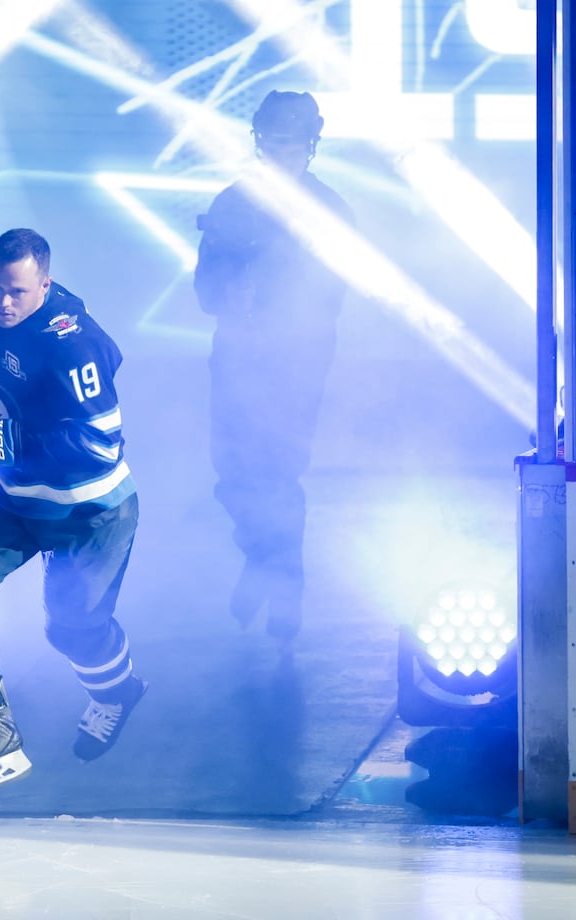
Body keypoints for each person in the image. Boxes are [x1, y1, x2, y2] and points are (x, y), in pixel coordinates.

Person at [0, 228, 144, 804]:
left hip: (87, 509)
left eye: (18, 292)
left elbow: (96, 444)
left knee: (71, 629)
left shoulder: (72, 343)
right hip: (13, 495)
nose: (4, 303)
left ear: (45, 283)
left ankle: (117, 692)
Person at [193, 90, 354, 647]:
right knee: (233, 475)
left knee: (279, 472)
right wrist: (228, 295)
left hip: (296, 364)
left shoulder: (332, 212)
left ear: (310, 146)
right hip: (236, 358)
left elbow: (334, 293)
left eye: (291, 143)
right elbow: (204, 290)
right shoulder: (232, 204)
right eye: (271, 142)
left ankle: (286, 585)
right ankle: (262, 560)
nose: (281, 153)